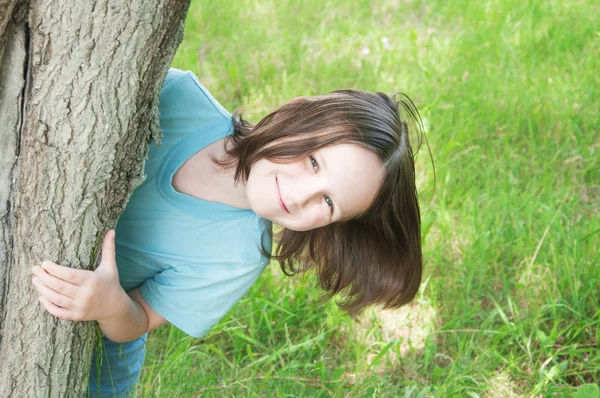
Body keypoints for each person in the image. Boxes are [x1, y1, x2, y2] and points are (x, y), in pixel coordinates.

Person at [30, 68, 424, 397]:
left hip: (91, 370)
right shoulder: (178, 97)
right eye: (314, 161)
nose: (302, 194)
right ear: (293, 113)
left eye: (328, 202)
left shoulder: (238, 255)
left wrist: (108, 304)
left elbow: (137, 321)